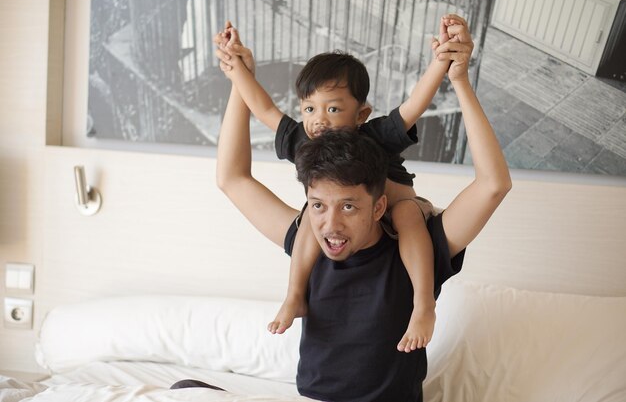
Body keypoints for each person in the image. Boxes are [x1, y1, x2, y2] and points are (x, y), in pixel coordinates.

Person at [214, 20, 512, 401]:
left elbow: (493, 184)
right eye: (318, 204)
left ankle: (426, 304)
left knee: (406, 215)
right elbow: (232, 178)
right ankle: (295, 289)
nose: (330, 224)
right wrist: (239, 76)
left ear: (378, 205)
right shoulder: (311, 237)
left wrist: (458, 79)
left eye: (349, 206)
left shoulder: (415, 247)